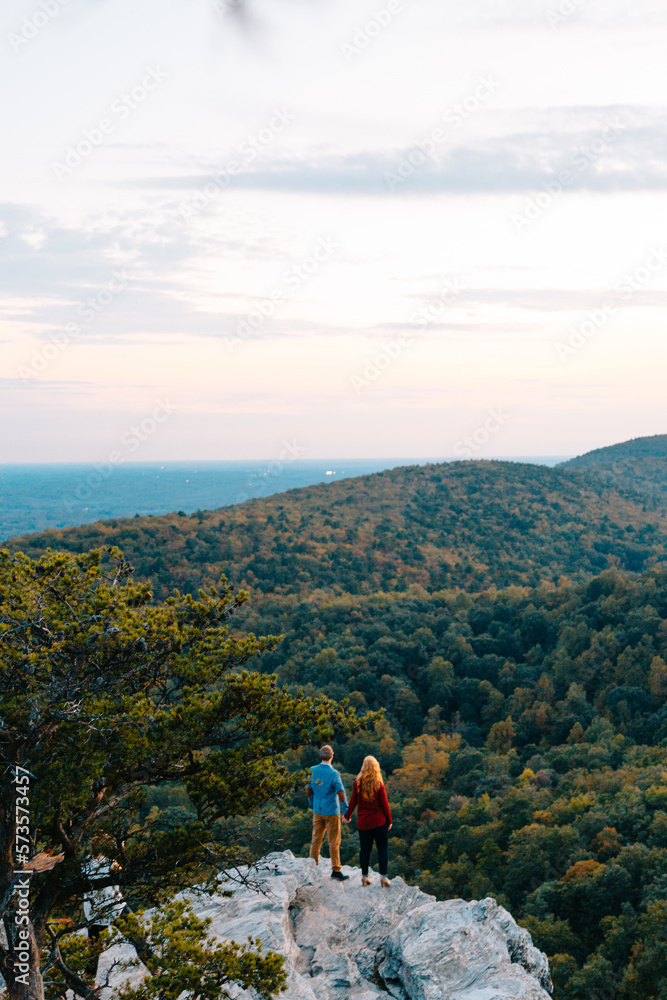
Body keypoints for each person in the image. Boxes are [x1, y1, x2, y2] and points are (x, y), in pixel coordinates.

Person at [343, 755, 392, 887]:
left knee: (365, 850)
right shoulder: (379, 784)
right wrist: (389, 820)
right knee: (382, 849)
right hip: (379, 822)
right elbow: (384, 804)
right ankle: (384, 878)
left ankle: (365, 878)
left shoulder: (357, 784)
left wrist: (347, 816)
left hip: (364, 823)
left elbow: (353, 802)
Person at [306, 745, 350, 882]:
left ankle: (312, 869)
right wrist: (346, 811)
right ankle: (336, 871)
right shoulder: (334, 774)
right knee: (334, 841)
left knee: (316, 840)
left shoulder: (312, 770)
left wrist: (312, 803)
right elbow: (340, 793)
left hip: (317, 810)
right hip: (331, 811)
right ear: (332, 756)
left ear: (321, 756)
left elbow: (308, 789)